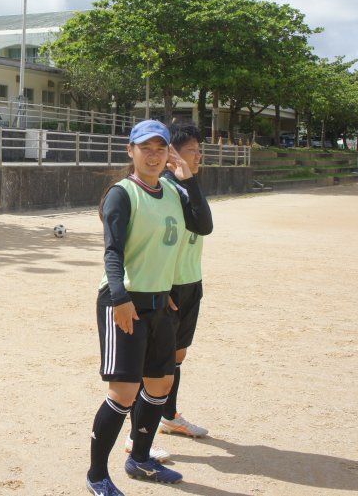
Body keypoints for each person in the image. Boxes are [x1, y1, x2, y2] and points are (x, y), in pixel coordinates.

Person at [86, 119, 213, 496]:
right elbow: (112, 252)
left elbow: (203, 225)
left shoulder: (172, 190)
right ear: (131, 151)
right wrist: (121, 299)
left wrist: (189, 178)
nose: (153, 155)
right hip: (123, 302)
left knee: (160, 384)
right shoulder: (122, 194)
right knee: (124, 392)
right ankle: (97, 476)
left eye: (160, 149)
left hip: (160, 302)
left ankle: (140, 458)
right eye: (146, 148)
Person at [123, 122, 213, 462]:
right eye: (191, 151)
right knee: (151, 365)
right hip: (168, 286)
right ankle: (136, 434)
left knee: (176, 357)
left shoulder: (187, 186)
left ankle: (169, 416)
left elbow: (204, 226)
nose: (198, 156)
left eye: (199, 150)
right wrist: (165, 288)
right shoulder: (164, 189)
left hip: (190, 282)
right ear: (173, 153)